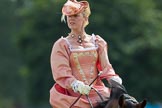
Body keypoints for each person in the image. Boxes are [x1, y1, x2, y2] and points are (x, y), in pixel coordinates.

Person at [49, 0, 122, 107]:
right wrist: (75, 84)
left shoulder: (98, 42)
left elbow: (106, 68)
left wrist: (113, 79)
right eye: (69, 16)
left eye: (75, 15)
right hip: (73, 95)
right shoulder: (62, 45)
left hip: (98, 92)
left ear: (85, 18)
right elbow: (60, 71)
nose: (71, 19)